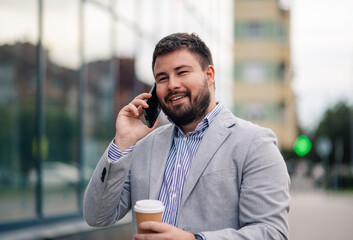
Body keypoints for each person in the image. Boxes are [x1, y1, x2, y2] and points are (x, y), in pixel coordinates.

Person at [83, 32, 290, 240]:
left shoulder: (255, 143)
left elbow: (271, 233)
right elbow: (97, 215)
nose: (172, 84)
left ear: (209, 75)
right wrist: (122, 142)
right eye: (162, 78)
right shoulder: (143, 146)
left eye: (181, 72)